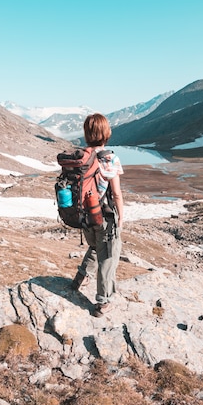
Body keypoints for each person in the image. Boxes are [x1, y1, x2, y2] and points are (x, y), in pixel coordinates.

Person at [70, 113, 124, 317]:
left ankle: (79, 280)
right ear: (106, 132)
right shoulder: (110, 158)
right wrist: (121, 219)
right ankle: (103, 302)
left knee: (95, 246)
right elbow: (116, 194)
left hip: (84, 216)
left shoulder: (81, 156)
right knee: (108, 258)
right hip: (104, 217)